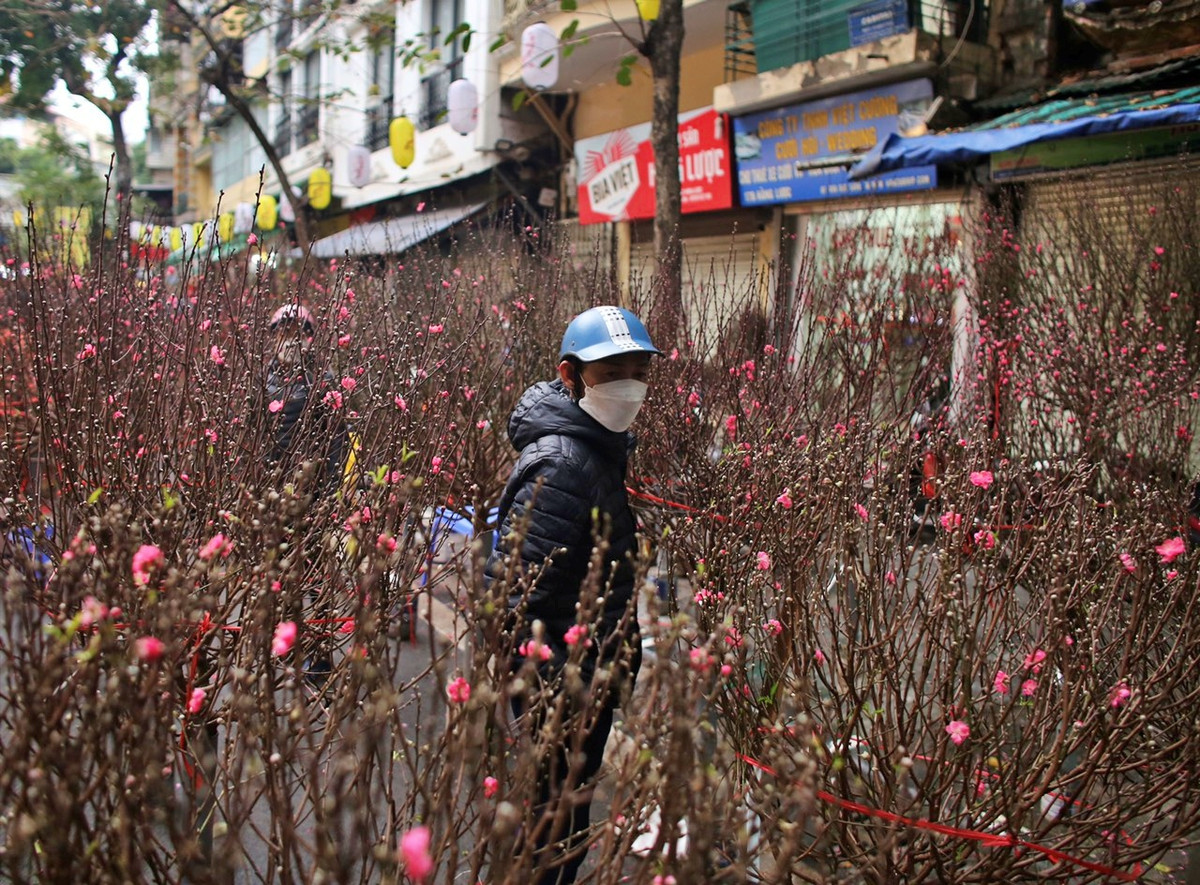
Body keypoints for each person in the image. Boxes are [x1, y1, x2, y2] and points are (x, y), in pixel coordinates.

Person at [486, 305, 660, 884]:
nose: (629, 385)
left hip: (584, 679)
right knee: (553, 833)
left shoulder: (597, 445)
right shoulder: (564, 464)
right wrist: (569, 685)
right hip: (562, 690)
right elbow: (513, 596)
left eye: (637, 368)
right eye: (612, 371)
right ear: (570, 375)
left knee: (561, 822)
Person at [264, 303, 350, 687]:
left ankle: (319, 656)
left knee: (316, 575)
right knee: (282, 575)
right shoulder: (261, 381)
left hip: (313, 494)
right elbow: (253, 437)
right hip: (274, 495)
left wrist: (330, 493)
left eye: (297, 332)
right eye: (283, 331)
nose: (290, 339)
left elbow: (337, 442)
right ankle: (289, 643)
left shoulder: (323, 382)